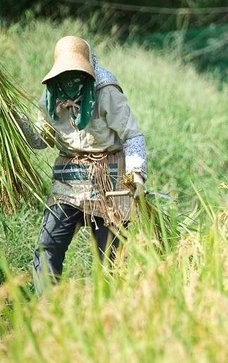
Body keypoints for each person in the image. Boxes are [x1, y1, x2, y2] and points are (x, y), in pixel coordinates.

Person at [18, 36, 147, 285]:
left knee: (110, 258)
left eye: (77, 73)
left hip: (110, 182)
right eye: (65, 74)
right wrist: (16, 124)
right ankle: (48, 311)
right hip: (69, 181)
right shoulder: (51, 97)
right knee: (48, 246)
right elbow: (40, 140)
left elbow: (132, 136)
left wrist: (137, 174)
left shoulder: (105, 90)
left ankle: (111, 312)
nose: (70, 81)